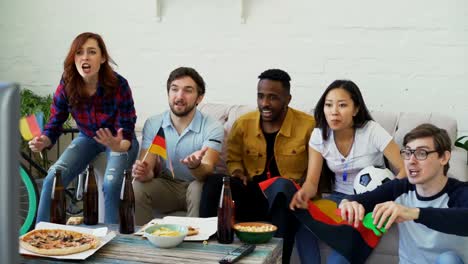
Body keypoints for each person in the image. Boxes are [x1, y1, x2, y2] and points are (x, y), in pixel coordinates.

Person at [200, 69, 315, 263]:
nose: (265, 103)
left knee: (281, 186)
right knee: (214, 182)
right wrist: (237, 172)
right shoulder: (243, 124)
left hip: (288, 200)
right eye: (260, 96)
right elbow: (233, 159)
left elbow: (316, 168)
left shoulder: (308, 126)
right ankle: (208, 254)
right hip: (253, 194)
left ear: (288, 99)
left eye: (273, 97)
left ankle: (279, 260)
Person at [289, 80, 406, 263]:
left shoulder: (371, 131)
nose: (334, 111)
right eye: (329, 105)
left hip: (370, 203)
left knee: (337, 260)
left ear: (356, 109)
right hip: (338, 199)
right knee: (303, 222)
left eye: (342, 105)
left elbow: (405, 169)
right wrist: (303, 194)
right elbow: (312, 182)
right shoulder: (320, 135)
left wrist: (385, 199)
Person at [29, 32, 139, 224]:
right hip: (87, 137)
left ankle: (113, 239)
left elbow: (127, 130)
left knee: (112, 183)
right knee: (53, 176)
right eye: (79, 52)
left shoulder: (119, 84)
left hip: (118, 141)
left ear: (103, 58)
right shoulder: (67, 83)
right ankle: (42, 235)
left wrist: (117, 145)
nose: (85, 57)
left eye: (92, 52)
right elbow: (56, 120)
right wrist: (43, 141)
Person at [339, 124, 468, 264]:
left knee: (448, 259)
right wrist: (348, 203)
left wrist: (414, 213)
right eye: (407, 153)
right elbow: (359, 199)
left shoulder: (459, 192)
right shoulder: (400, 188)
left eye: (421, 153)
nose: (411, 161)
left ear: (443, 157)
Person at [132, 67, 224, 226]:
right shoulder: (154, 123)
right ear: (168, 93)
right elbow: (147, 167)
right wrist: (145, 174)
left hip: (197, 184)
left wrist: (196, 166)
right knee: (138, 187)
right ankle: (142, 242)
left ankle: (194, 245)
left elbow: (207, 170)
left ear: (199, 98)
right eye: (174, 89)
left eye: (188, 91)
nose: (179, 96)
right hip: (167, 185)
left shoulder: (212, 127)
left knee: (197, 188)